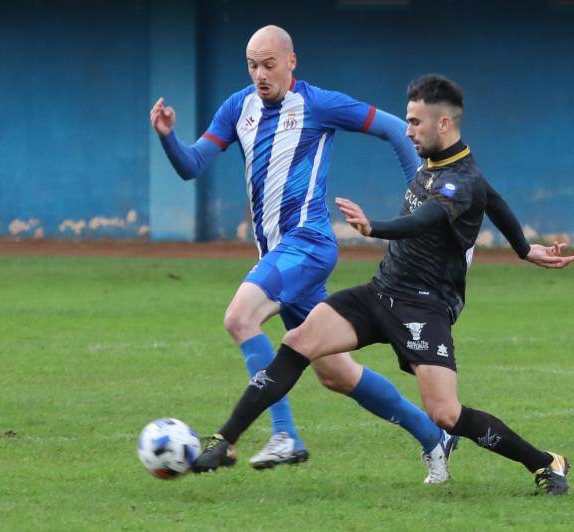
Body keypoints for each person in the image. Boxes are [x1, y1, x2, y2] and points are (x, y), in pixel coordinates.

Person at [192, 74, 574, 496]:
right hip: (380, 292)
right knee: (298, 341)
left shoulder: (460, 181)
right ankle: (223, 441)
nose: (408, 130)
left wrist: (373, 227)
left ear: (444, 125)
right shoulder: (440, 166)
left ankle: (545, 462)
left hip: (424, 308)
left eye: (415, 122)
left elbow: (426, 219)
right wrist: (524, 249)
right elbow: (498, 202)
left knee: (446, 413)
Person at [150, 25, 463, 483]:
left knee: (240, 318)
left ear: (291, 62)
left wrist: (422, 195)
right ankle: (433, 436)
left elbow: (396, 130)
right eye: (253, 65)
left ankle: (285, 435)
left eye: (269, 64)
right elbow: (192, 165)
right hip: (282, 255)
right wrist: (167, 137)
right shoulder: (238, 107)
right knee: (335, 373)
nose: (260, 73)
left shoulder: (319, 104)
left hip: (308, 243)